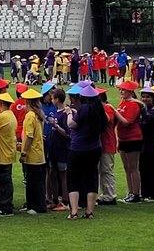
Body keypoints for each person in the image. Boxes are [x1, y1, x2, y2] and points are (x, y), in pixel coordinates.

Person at [66, 85, 107, 218]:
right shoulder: (100, 110)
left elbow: (72, 125)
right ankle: (89, 211)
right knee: (91, 177)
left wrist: (69, 113)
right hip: (94, 147)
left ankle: (74, 211)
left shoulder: (83, 109)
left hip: (78, 147)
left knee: (73, 178)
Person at [115, 80, 143, 203]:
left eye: (124, 90)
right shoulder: (123, 103)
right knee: (127, 167)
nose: (121, 91)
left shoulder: (133, 105)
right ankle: (130, 191)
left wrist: (114, 112)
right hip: (123, 138)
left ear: (130, 91)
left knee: (133, 167)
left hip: (133, 138)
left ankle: (136, 193)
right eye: (120, 89)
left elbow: (127, 122)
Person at [20, 88, 47, 215]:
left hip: (32, 154)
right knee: (36, 180)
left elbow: (29, 136)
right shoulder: (38, 115)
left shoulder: (30, 116)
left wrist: (24, 151)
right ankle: (32, 204)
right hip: (39, 153)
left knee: (33, 181)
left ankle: (37, 206)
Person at [45, 87, 70, 211]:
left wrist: (56, 126)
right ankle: (55, 199)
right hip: (53, 147)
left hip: (61, 148)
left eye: (53, 97)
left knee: (62, 175)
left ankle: (65, 201)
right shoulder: (56, 112)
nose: (51, 99)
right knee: (52, 173)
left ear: (58, 99)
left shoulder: (65, 113)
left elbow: (67, 133)